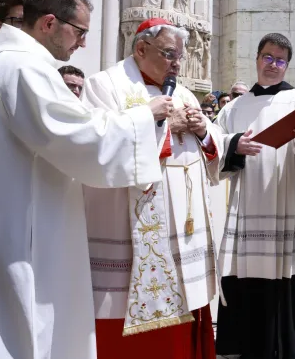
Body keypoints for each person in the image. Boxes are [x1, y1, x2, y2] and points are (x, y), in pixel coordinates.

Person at [0, 0, 171, 359]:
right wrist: (141, 117)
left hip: (8, 219)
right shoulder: (23, 68)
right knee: (28, 329)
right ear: (49, 23)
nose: (82, 43)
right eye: (79, 31)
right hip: (28, 229)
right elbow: (78, 137)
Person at [82, 18, 222, 359]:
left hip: (182, 233)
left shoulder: (183, 92)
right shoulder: (104, 86)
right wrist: (162, 126)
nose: (177, 64)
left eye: (181, 56)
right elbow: (99, 148)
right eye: (169, 54)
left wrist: (204, 132)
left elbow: (212, 149)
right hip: (128, 237)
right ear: (141, 49)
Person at [214, 33, 295, 358]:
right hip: (247, 213)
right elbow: (214, 151)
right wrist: (233, 145)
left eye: (280, 60)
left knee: (292, 283)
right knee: (250, 284)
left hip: (290, 205)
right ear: (256, 59)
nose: (273, 64)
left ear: (287, 65)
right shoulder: (234, 108)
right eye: (268, 57)